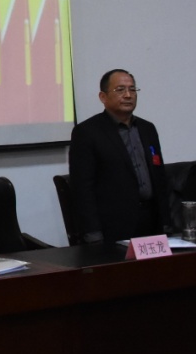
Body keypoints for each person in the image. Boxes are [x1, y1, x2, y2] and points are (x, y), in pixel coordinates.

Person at [68, 69, 170, 243]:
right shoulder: (87, 132)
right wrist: (93, 232)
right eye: (120, 90)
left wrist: (166, 221)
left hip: (151, 221)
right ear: (103, 97)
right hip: (113, 226)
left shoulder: (147, 128)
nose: (128, 95)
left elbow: (159, 176)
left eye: (132, 89)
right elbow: (82, 188)